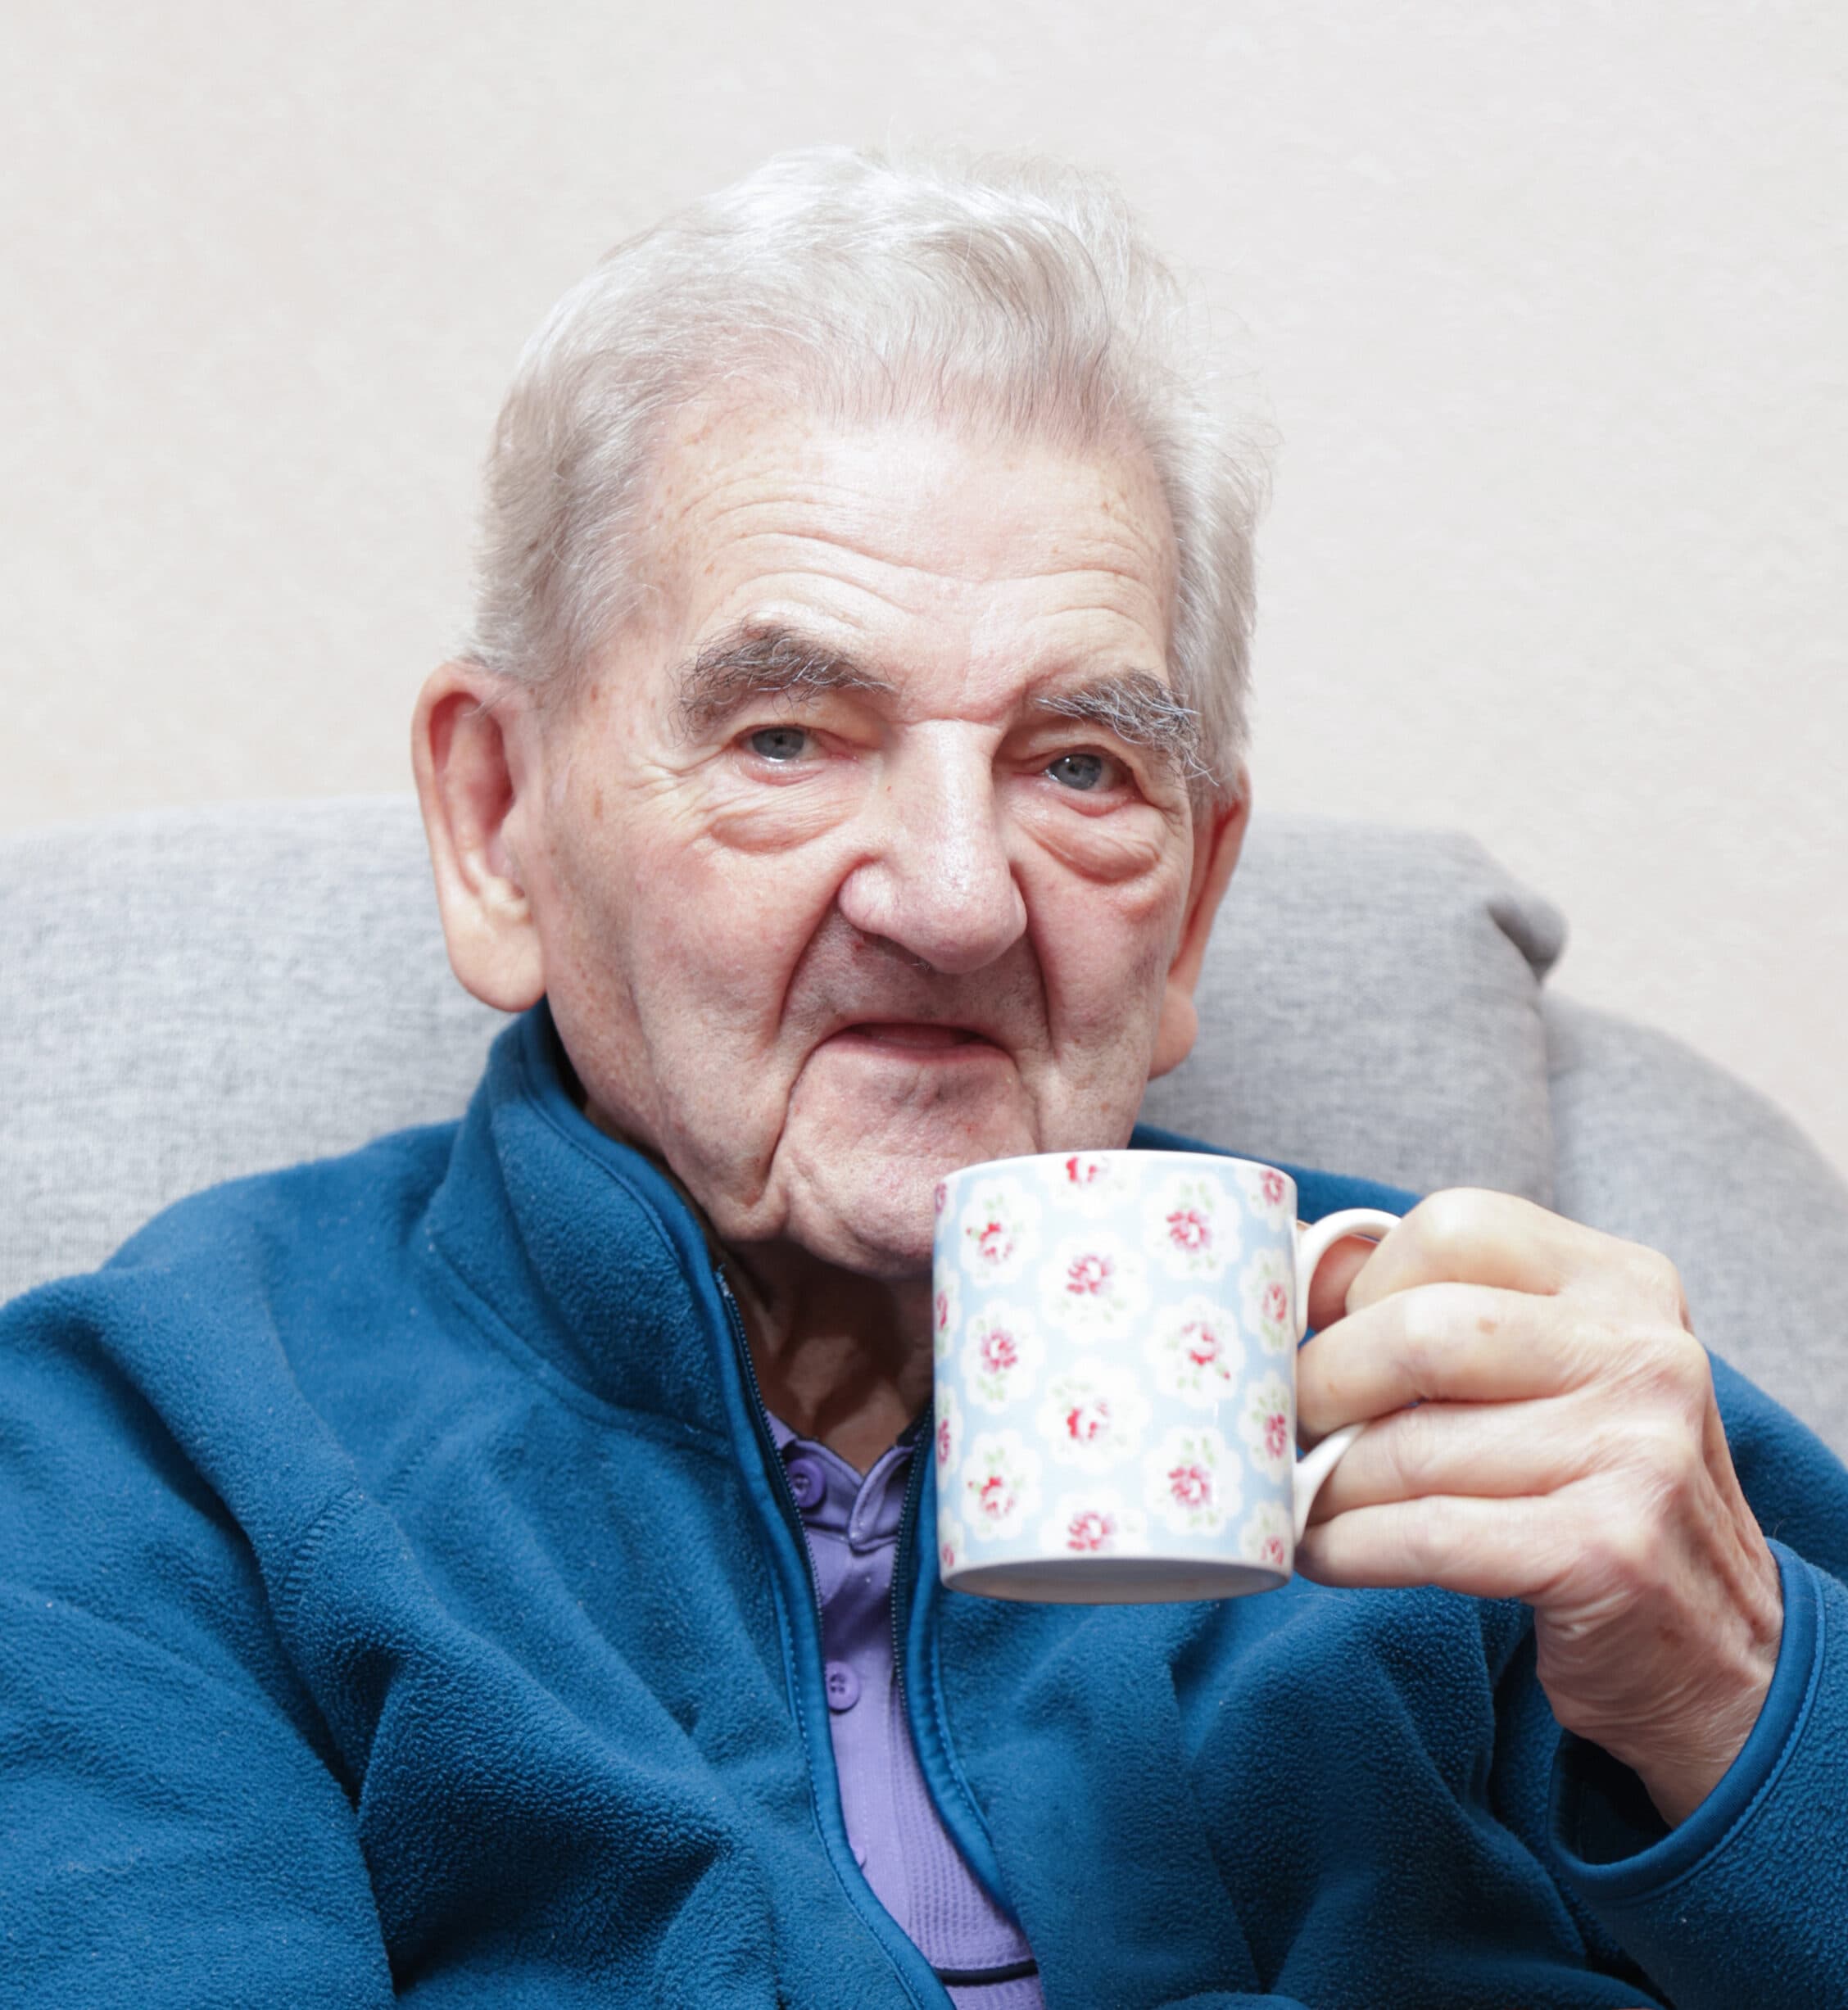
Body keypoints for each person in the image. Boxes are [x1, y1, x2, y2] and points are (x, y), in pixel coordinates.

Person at [2, 148, 1845, 2010]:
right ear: (498, 827)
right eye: (789, 735)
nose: (958, 898)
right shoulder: (162, 1442)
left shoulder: (1482, 1387)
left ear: (1193, 905)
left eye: (1081, 768)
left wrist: (1726, 1682)